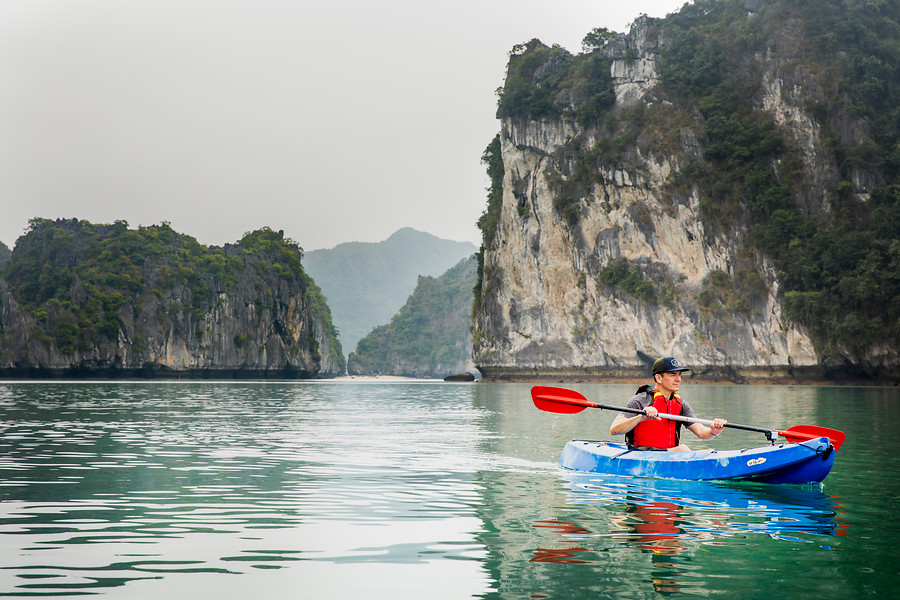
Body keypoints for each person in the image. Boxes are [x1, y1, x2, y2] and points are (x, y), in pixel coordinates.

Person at [609, 357, 726, 451]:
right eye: (673, 375)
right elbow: (614, 429)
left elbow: (701, 432)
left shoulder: (681, 404)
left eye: (679, 375)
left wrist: (713, 431)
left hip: (669, 455)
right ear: (659, 378)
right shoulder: (640, 400)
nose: (678, 379)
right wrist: (641, 417)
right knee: (682, 449)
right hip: (643, 454)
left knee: (709, 451)